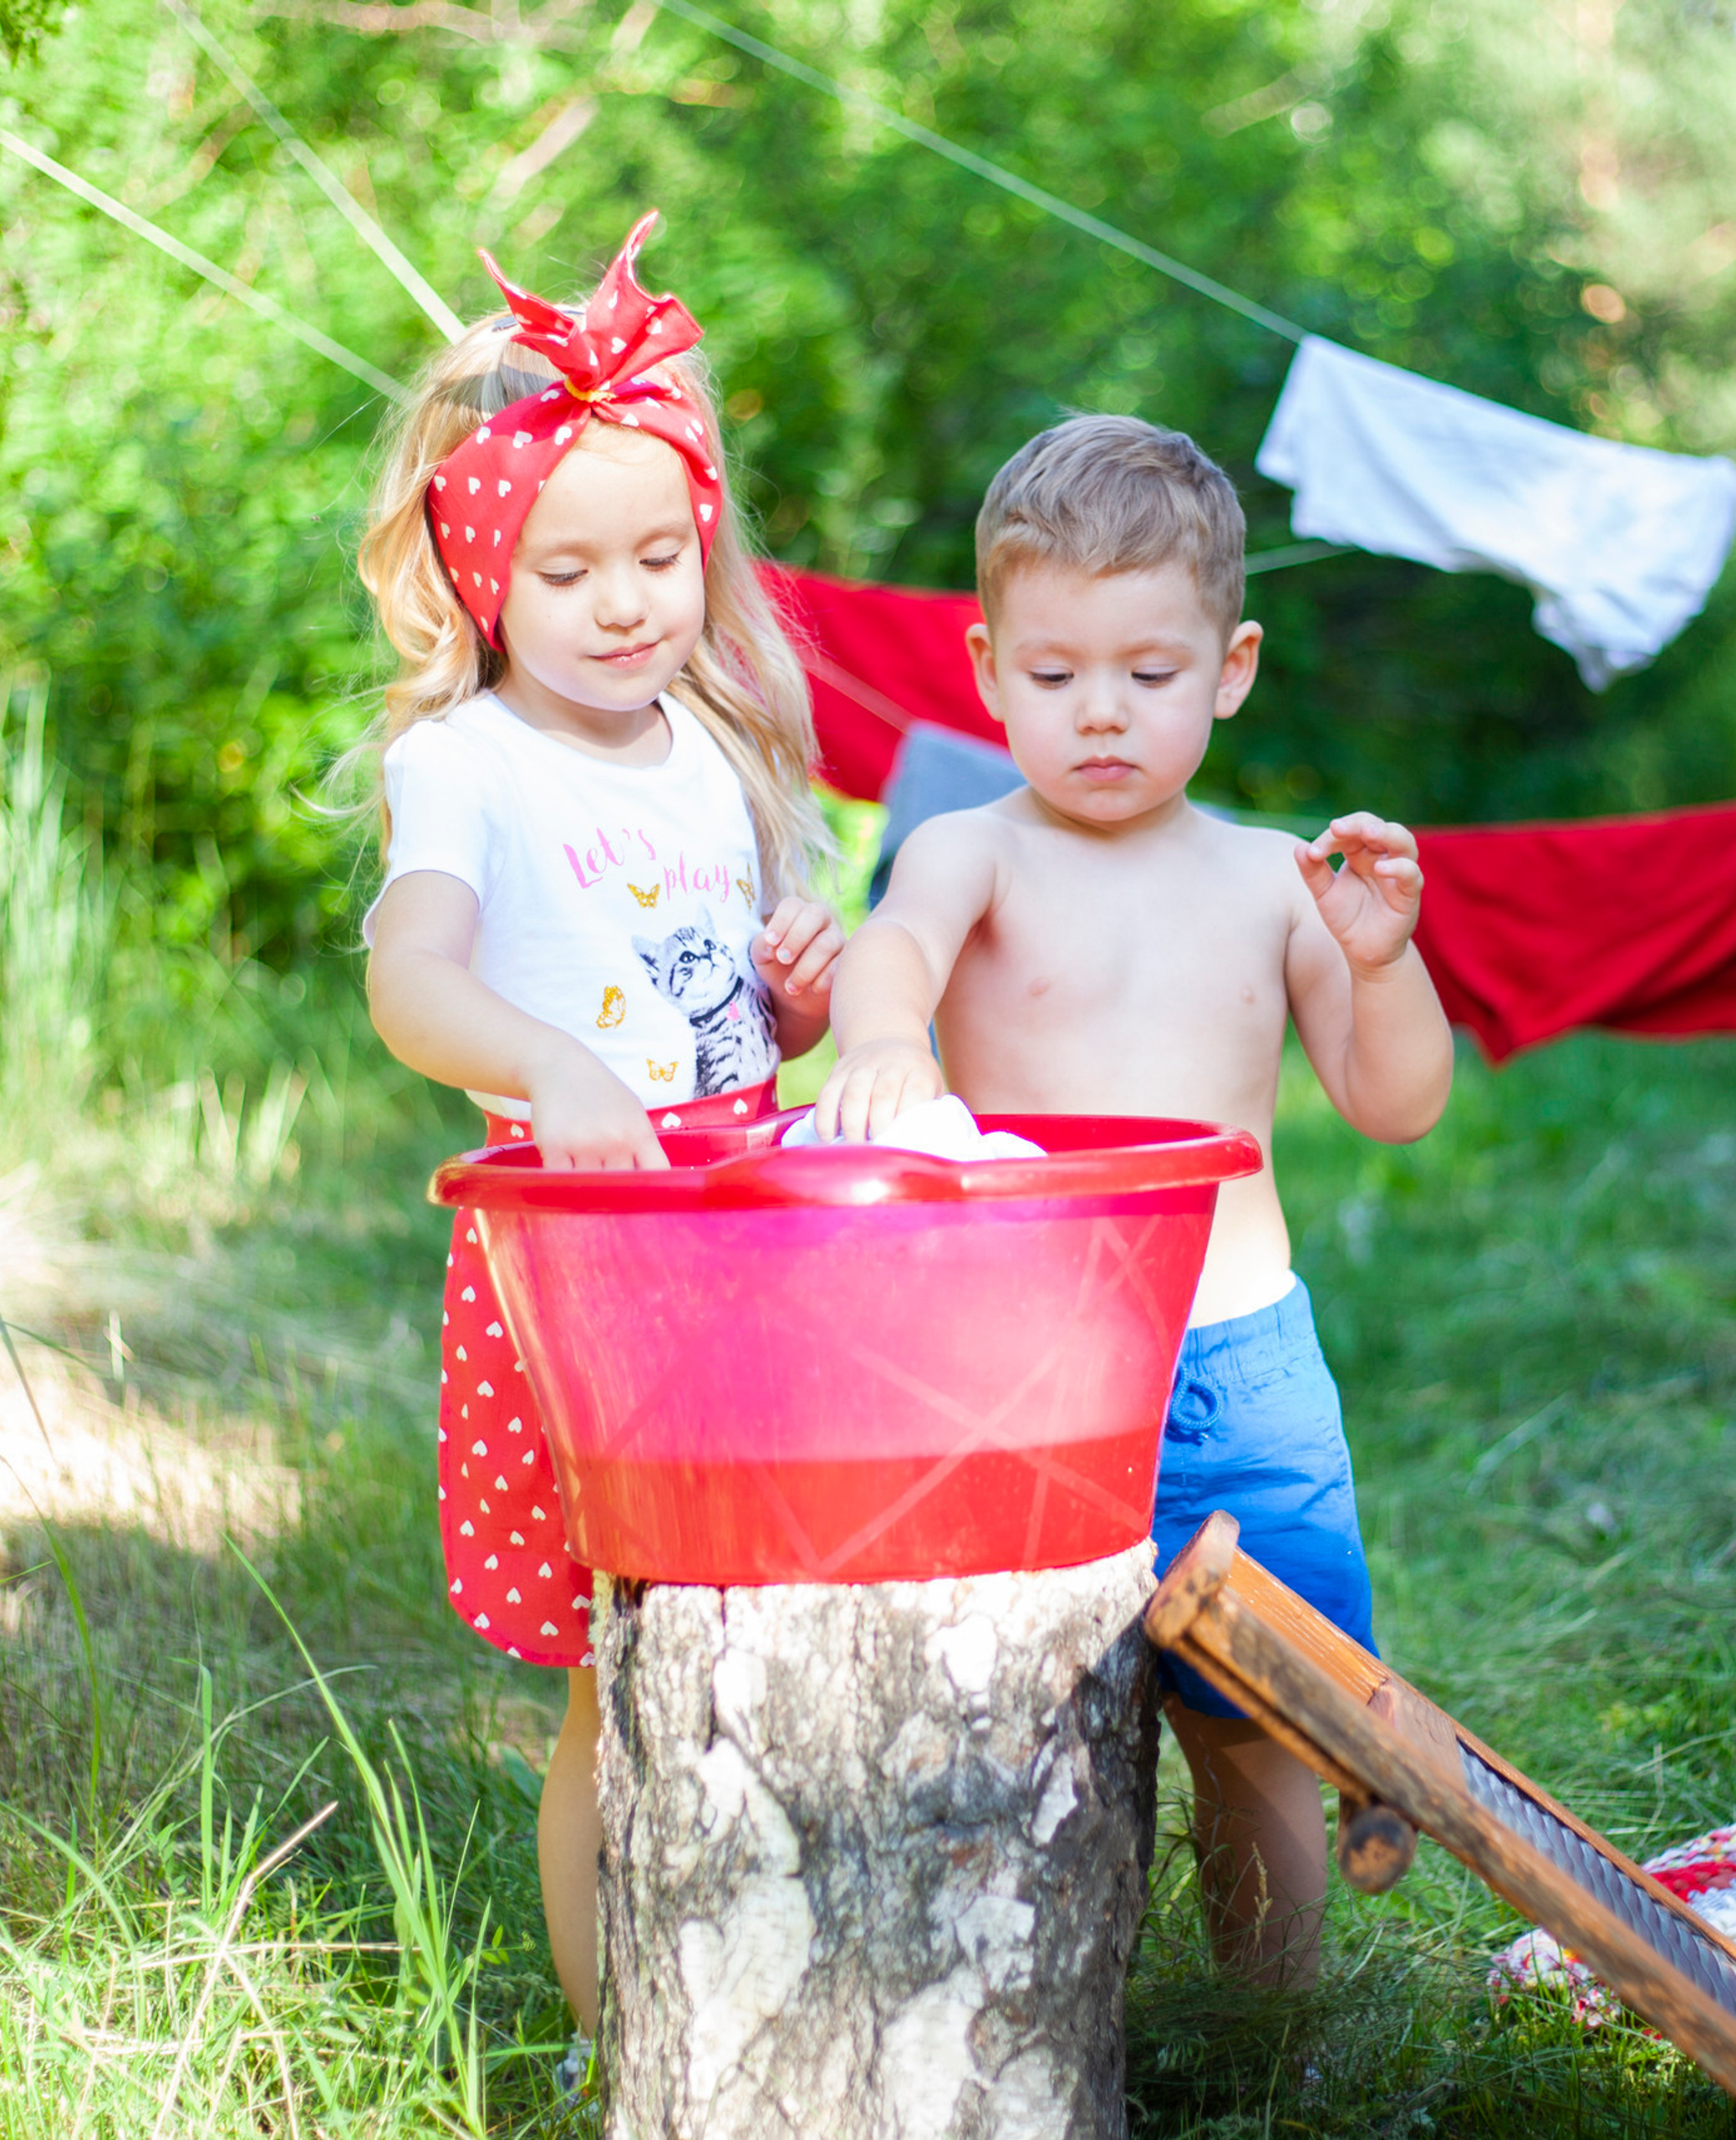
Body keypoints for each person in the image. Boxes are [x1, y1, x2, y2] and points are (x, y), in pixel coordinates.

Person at [818, 415, 1452, 1985]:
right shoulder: (971, 853)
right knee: (1016, 1724)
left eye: (1149, 676)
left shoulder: (1268, 882)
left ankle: (1268, 2029)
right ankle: (1027, 2010)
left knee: (1265, 1727)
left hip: (1235, 1367)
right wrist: (889, 1040)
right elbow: (890, 948)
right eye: (1055, 676)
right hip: (1013, 1372)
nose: (1101, 714)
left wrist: (1385, 965)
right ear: (985, 666)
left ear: (1229, 668)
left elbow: (1397, 1100)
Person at [355, 214, 844, 2061]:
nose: (627, 600)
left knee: (777, 1651)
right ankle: (612, 2030)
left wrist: (799, 991)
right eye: (568, 569)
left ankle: (790, 1980)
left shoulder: (705, 748)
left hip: (748, 1229)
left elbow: (728, 995)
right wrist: (548, 1064)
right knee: (622, 1677)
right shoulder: (467, 760)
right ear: (483, 574)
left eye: (659, 554)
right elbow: (415, 982)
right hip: (591, 1261)